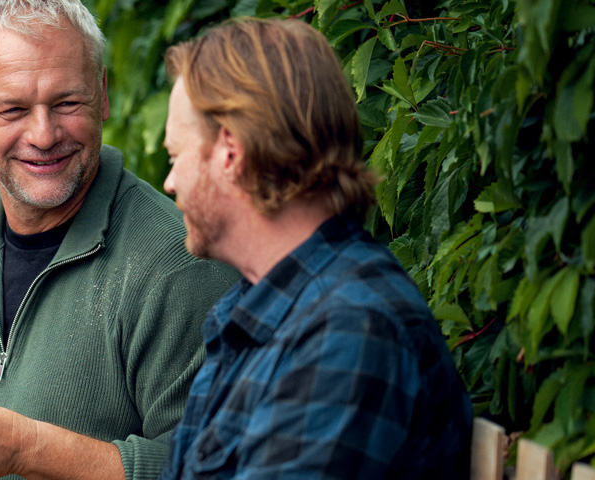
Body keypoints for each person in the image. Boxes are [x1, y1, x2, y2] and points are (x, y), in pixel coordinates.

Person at [0, 1, 238, 479]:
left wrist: (26, 448)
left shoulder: (180, 260)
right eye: (12, 109)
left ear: (103, 94)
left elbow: (211, 468)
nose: (44, 134)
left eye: (67, 103)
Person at [157, 18, 473, 479]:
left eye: (174, 156)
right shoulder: (259, 308)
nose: (168, 182)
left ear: (230, 150)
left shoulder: (350, 329)